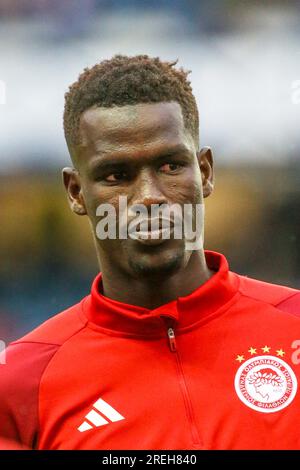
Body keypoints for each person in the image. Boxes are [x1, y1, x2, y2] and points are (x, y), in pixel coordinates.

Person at [0, 55, 300, 450]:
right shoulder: (22, 383)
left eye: (171, 166)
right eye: (116, 175)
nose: (149, 197)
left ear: (205, 171)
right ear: (76, 192)